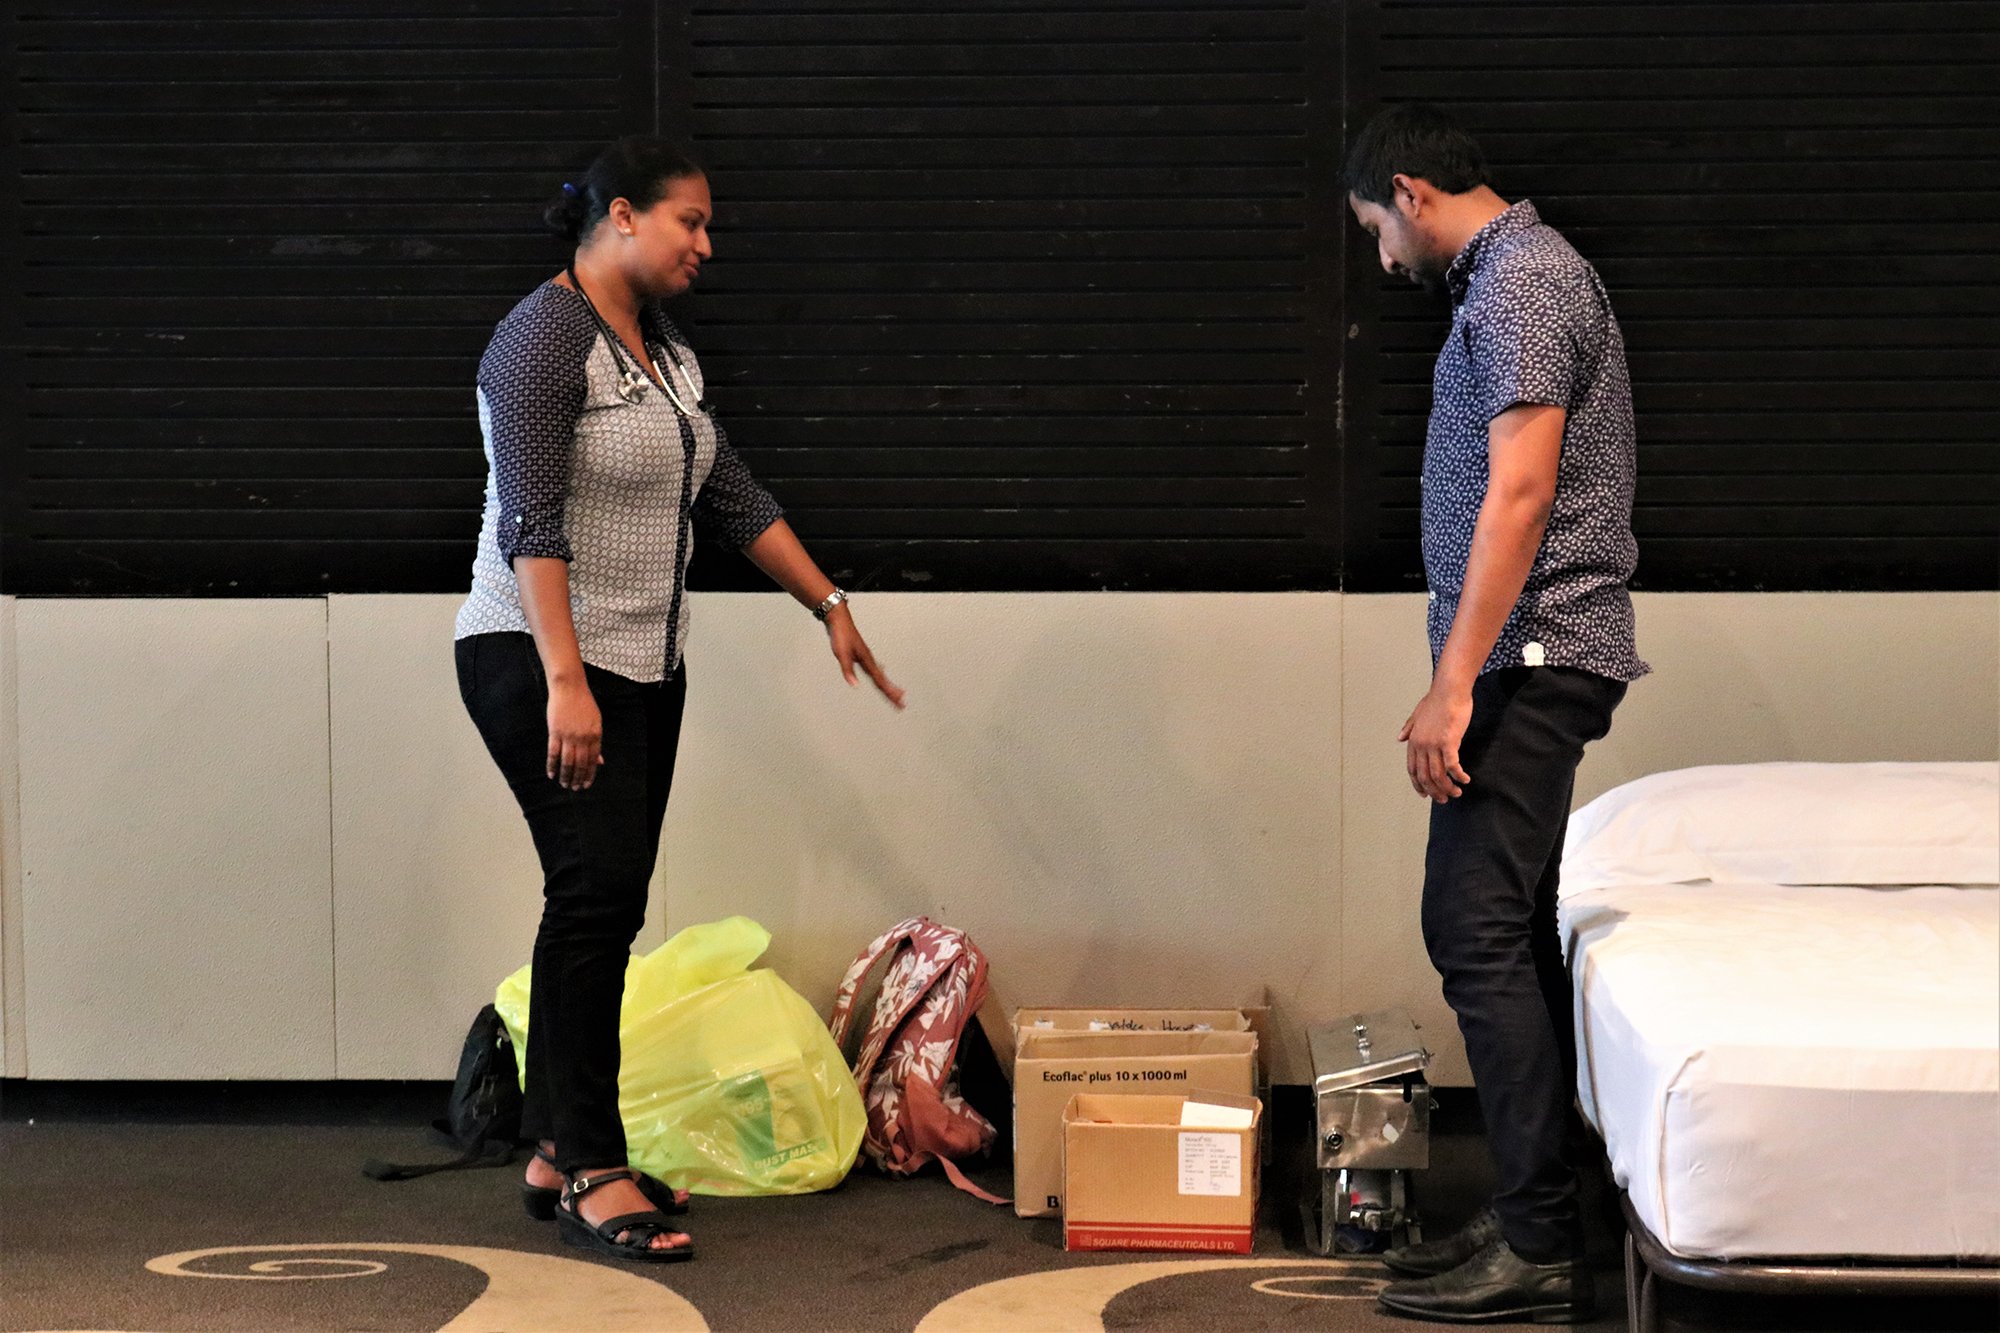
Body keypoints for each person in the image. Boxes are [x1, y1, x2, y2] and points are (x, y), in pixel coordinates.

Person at [453, 136, 905, 1264]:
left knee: (598, 902)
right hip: (539, 656)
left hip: (645, 665)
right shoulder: (541, 338)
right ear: (621, 214)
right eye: (689, 222)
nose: (706, 245)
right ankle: (589, 1163)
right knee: (595, 894)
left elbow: (728, 486)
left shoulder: (662, 350)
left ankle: (558, 1146)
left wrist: (827, 602)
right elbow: (530, 518)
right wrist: (565, 680)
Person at [1343, 104, 1648, 1324]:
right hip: (1527, 651)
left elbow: (1520, 492)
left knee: (1469, 927)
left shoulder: (1520, 280)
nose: (1380, 260)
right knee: (1508, 929)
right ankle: (1544, 1212)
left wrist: (1451, 682)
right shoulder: (1516, 276)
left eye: (1373, 229)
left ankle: (1535, 1243)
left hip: (1530, 653)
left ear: (1409, 192)